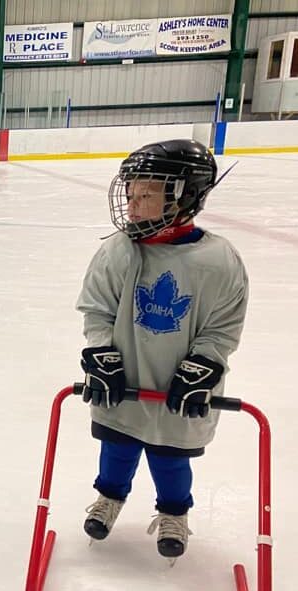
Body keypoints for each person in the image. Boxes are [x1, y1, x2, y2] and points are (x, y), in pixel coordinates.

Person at [76, 139, 248, 559]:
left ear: (185, 193)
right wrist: (101, 351)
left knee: (170, 456)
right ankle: (109, 498)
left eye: (147, 195)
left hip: (177, 383)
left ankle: (174, 512)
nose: (133, 205)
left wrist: (205, 363)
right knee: (116, 446)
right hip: (126, 379)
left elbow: (222, 326)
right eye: (131, 194)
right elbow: (96, 309)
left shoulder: (219, 261)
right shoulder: (118, 250)